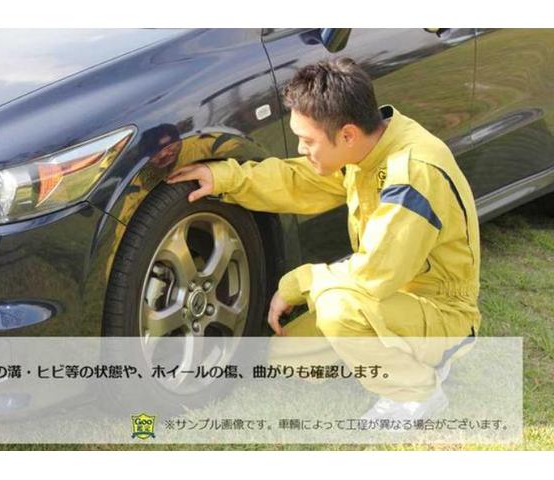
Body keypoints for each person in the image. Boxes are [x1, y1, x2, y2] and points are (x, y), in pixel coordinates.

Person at [166, 57, 481, 421]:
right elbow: (298, 181)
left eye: (307, 140)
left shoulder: (412, 173)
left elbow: (375, 274)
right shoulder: (366, 148)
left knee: (337, 311)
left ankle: (417, 393)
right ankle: (398, 357)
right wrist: (223, 178)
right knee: (287, 355)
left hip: (440, 312)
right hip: (388, 298)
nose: (301, 149)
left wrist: (298, 283)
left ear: (347, 134)